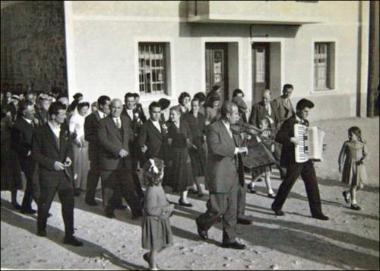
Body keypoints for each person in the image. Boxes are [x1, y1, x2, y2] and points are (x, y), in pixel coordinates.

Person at [196, 101, 248, 249]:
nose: (238, 116)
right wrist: (236, 150)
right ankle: (202, 222)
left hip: (233, 173)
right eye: (236, 113)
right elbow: (215, 148)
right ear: (227, 114)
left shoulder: (233, 128)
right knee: (217, 209)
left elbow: (236, 144)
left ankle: (229, 239)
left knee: (232, 209)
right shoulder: (213, 128)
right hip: (219, 174)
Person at [32, 102, 83, 246]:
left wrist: (68, 157)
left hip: (64, 175)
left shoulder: (65, 129)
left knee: (68, 205)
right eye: (61, 114)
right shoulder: (40, 132)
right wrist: (51, 164)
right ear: (53, 115)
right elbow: (36, 154)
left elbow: (68, 148)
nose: (64, 116)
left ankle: (69, 235)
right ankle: (41, 227)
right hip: (48, 174)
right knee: (44, 204)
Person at [271, 98, 329, 220]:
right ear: (298, 110)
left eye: (308, 112)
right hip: (294, 159)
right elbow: (279, 137)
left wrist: (318, 147)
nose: (307, 114)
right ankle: (276, 206)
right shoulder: (289, 122)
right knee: (288, 183)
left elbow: (307, 140)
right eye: (305, 111)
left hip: (305, 158)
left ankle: (316, 212)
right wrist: (292, 139)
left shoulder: (305, 122)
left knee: (312, 183)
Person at [97, 99, 143, 219]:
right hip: (109, 161)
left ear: (121, 109)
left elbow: (130, 136)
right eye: (113, 107)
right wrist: (117, 150)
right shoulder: (103, 122)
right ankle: (109, 210)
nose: (115, 110)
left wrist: (140, 144)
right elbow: (103, 141)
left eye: (118, 108)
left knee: (129, 186)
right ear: (109, 108)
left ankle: (136, 211)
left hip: (125, 161)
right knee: (109, 188)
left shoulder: (126, 120)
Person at [141, 158, 174, 270]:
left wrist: (166, 202)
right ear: (158, 174)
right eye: (162, 171)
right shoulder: (151, 190)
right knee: (155, 246)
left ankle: (150, 257)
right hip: (154, 222)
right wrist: (166, 208)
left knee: (164, 242)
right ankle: (153, 266)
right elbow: (150, 209)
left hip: (160, 219)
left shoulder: (157, 187)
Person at [163, 106, 195, 207]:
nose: (171, 116)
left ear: (179, 115)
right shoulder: (167, 125)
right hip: (173, 155)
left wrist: (188, 141)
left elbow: (189, 136)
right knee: (170, 177)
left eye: (173, 114)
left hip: (184, 153)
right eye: (170, 114)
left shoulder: (185, 124)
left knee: (185, 177)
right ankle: (165, 198)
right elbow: (167, 141)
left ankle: (183, 198)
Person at [11, 101, 38, 213]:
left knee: (33, 183)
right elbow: (15, 144)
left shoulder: (32, 122)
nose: (34, 112)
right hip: (25, 159)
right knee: (33, 182)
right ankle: (31, 207)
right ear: (23, 112)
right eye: (31, 111)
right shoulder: (18, 125)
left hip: (34, 156)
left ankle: (26, 206)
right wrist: (27, 152)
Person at [84, 95, 111, 206]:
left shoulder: (109, 117)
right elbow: (87, 136)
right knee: (94, 175)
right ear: (100, 105)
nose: (109, 108)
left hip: (107, 152)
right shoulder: (90, 118)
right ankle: (89, 198)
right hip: (96, 152)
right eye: (107, 105)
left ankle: (110, 200)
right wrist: (102, 139)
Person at [121, 92, 145, 200]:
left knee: (133, 169)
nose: (130, 104)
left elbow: (143, 125)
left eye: (132, 101)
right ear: (125, 101)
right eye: (128, 101)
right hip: (125, 145)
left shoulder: (138, 110)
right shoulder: (121, 112)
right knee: (127, 170)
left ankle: (137, 192)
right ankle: (134, 192)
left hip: (135, 145)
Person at [338, 126, 368, 211]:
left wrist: (363, 159)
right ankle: (353, 203)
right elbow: (341, 155)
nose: (349, 136)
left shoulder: (362, 143)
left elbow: (366, 154)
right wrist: (340, 164)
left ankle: (347, 193)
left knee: (361, 185)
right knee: (354, 184)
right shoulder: (346, 143)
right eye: (349, 135)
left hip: (359, 166)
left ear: (357, 135)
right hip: (350, 165)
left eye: (351, 135)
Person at [246, 117, 277, 198]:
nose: (259, 125)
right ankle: (270, 191)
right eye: (259, 124)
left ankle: (252, 184)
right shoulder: (257, 133)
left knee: (263, 173)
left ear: (267, 125)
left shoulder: (268, 132)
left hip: (267, 156)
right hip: (261, 157)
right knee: (266, 174)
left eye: (261, 124)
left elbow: (272, 138)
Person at [182, 98, 206, 197]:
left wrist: (205, 135)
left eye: (196, 106)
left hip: (201, 144)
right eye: (192, 105)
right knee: (194, 166)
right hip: (191, 144)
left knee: (200, 167)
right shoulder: (186, 117)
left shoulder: (201, 116)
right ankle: (199, 188)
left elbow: (204, 129)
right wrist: (189, 142)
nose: (194, 108)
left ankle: (195, 186)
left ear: (199, 106)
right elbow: (185, 132)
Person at [1, 109, 23, 209]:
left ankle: (14, 200)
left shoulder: (13, 128)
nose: (10, 119)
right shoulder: (4, 128)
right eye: (8, 117)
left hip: (12, 156)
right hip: (4, 156)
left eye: (10, 117)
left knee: (14, 179)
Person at [69, 102, 90, 196]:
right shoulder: (74, 117)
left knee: (84, 165)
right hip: (77, 143)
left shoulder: (86, 118)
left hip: (85, 143)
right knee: (77, 165)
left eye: (86, 109)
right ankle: (75, 186)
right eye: (83, 109)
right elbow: (71, 130)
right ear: (79, 109)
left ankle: (83, 185)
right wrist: (76, 140)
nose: (85, 111)